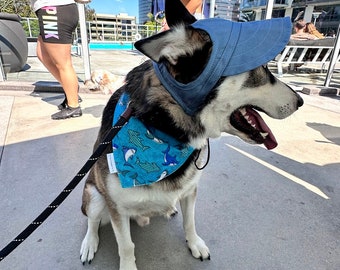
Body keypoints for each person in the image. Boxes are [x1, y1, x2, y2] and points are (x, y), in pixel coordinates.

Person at [30, 0, 82, 120]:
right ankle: (71, 89)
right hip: (51, 11)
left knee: (63, 63)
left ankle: (74, 106)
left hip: (53, 10)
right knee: (42, 54)